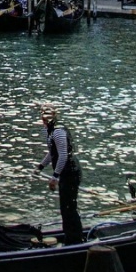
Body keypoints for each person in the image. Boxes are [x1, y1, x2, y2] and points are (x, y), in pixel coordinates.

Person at [35, 103, 83, 245]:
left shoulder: (57, 132)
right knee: (65, 207)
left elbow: (62, 155)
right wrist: (40, 167)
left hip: (71, 172)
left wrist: (55, 177)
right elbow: (52, 153)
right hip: (66, 172)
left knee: (69, 207)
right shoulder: (51, 131)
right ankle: (71, 235)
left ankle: (74, 239)